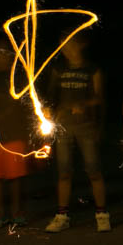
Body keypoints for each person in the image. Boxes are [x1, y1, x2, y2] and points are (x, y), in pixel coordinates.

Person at [44, 33, 110, 233]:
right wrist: (47, 109)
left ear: (82, 44)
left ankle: (102, 214)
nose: (66, 49)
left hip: (86, 127)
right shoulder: (58, 69)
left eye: (70, 44)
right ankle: (62, 216)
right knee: (64, 172)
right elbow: (50, 95)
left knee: (93, 170)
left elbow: (100, 97)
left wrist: (85, 104)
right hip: (63, 127)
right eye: (63, 45)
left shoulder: (92, 69)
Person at [0, 40, 33, 230]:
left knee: (15, 177)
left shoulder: (17, 79)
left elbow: (17, 104)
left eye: (1, 54)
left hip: (13, 135)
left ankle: (17, 212)